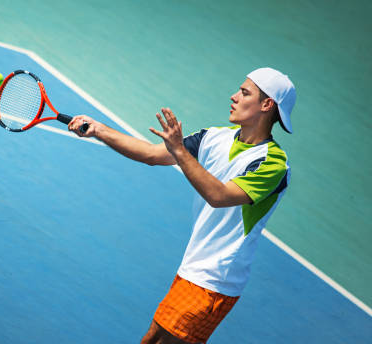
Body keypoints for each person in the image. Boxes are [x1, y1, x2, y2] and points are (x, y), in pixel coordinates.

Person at [68, 67, 296, 343]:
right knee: (151, 339)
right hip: (192, 269)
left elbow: (219, 196)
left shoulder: (273, 163)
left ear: (266, 105)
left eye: (244, 92)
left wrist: (179, 150)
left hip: (215, 280)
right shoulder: (215, 137)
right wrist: (99, 130)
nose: (234, 96)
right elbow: (153, 154)